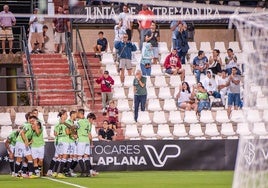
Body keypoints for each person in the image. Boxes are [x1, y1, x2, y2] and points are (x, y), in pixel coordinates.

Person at [76, 109, 98, 177]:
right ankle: (88, 172)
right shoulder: (89, 123)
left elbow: (74, 129)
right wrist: (91, 143)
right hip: (87, 141)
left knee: (79, 157)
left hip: (81, 140)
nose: (92, 121)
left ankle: (83, 172)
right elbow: (89, 135)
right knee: (86, 157)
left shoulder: (79, 122)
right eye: (92, 119)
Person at [53, 109, 70, 178]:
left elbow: (55, 134)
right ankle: (60, 173)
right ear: (62, 115)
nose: (67, 116)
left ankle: (54, 172)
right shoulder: (65, 123)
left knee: (59, 156)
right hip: (65, 140)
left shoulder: (57, 123)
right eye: (66, 114)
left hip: (59, 140)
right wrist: (71, 131)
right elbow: (67, 133)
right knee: (64, 156)